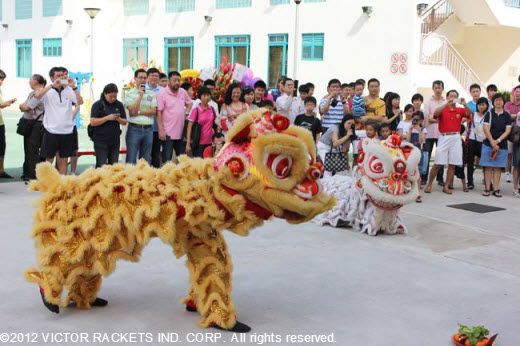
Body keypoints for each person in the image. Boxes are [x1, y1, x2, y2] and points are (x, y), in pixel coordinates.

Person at [34, 67, 82, 175]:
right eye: (58, 76)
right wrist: (52, 85)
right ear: (51, 78)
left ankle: (62, 184)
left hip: (67, 131)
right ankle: (47, 183)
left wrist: (74, 87)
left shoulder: (69, 90)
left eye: (62, 75)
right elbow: (37, 96)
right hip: (51, 130)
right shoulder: (47, 90)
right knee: (49, 159)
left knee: (63, 159)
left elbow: (80, 101)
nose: (61, 78)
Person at [424, 89, 471, 194]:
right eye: (451, 96)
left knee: (452, 164)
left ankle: (446, 186)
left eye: (455, 96)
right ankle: (429, 184)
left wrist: (465, 104)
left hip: (456, 137)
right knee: (437, 164)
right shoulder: (443, 108)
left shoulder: (460, 110)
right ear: (447, 97)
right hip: (444, 137)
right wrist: (446, 103)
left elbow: (469, 115)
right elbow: (435, 114)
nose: (453, 98)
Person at [157, 70, 192, 164]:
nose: (177, 82)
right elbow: (159, 112)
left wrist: (186, 113)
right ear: (168, 81)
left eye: (178, 80)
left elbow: (190, 103)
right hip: (167, 133)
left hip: (181, 133)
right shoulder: (162, 93)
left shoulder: (182, 92)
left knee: (182, 161)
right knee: (166, 161)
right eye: (174, 80)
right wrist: (161, 130)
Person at [481, 93, 512, 197]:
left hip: (502, 145)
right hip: (488, 144)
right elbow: (486, 128)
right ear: (493, 102)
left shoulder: (507, 115)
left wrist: (497, 141)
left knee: (498, 168)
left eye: (500, 100)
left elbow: (507, 131)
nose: (498, 102)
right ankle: (487, 189)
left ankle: (496, 189)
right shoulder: (489, 114)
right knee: (488, 167)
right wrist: (492, 142)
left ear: (503, 102)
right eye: (496, 100)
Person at [89, 84, 127, 167]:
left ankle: (112, 180)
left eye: (115, 96)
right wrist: (107, 118)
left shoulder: (119, 104)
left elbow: (124, 122)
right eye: (111, 96)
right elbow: (93, 122)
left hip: (115, 140)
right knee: (101, 165)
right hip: (100, 140)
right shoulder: (97, 105)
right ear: (105, 94)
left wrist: (118, 119)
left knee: (114, 166)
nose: (113, 99)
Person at [124, 69, 156, 164]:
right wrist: (140, 96)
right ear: (135, 78)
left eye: (145, 78)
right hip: (134, 129)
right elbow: (132, 112)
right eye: (140, 77)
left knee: (146, 160)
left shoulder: (151, 93)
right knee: (131, 159)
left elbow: (153, 111)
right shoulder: (130, 94)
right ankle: (130, 179)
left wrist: (139, 111)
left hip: (148, 130)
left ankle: (144, 178)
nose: (143, 80)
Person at [19, 74, 46, 182]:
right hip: (30, 123)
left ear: (36, 81)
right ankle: (27, 172)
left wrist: (24, 107)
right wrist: (24, 107)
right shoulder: (32, 93)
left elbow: (26, 107)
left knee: (32, 150)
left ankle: (32, 175)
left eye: (31, 79)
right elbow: (24, 107)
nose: (29, 81)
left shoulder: (40, 93)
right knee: (28, 149)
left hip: (36, 124)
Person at [422, 80, 446, 186]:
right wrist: (438, 119)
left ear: (442, 89)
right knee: (426, 156)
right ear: (433, 89)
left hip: (442, 134)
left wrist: (434, 118)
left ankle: (440, 179)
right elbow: (426, 117)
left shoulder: (445, 102)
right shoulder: (427, 102)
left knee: (440, 156)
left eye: (439, 87)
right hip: (429, 133)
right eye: (435, 87)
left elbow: (445, 117)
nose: (437, 90)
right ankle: (424, 177)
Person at [185, 87, 216, 158]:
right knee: (199, 165)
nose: (207, 97)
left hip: (210, 142)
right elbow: (189, 127)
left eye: (208, 95)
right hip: (198, 142)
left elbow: (214, 125)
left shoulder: (211, 109)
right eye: (204, 95)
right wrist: (188, 144)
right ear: (200, 97)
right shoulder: (196, 110)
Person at [466, 97, 488, 190]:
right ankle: (470, 182)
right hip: (472, 140)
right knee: (470, 162)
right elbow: (466, 115)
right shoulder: (472, 114)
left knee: (485, 163)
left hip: (483, 141)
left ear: (487, 105)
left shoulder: (488, 115)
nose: (481, 106)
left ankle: (487, 182)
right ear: (477, 106)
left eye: (483, 104)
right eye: (479, 104)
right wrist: (464, 104)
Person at [0, 69, 17, 179]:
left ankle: (1, 170)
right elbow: (1, 105)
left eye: (2, 79)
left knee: (2, 147)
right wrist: (9, 102)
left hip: (0, 123)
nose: (1, 81)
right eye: (0, 79)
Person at [146, 68, 163, 168]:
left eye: (156, 75)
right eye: (152, 75)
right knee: (145, 152)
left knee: (156, 153)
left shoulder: (162, 90)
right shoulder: (143, 89)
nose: (154, 77)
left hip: (157, 128)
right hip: (145, 126)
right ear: (148, 77)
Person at [505, 85, 520, 197]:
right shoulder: (508, 104)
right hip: (515, 135)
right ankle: (515, 187)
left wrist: (514, 116)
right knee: (515, 161)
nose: (518, 93)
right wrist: (516, 116)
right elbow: (507, 117)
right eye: (517, 91)